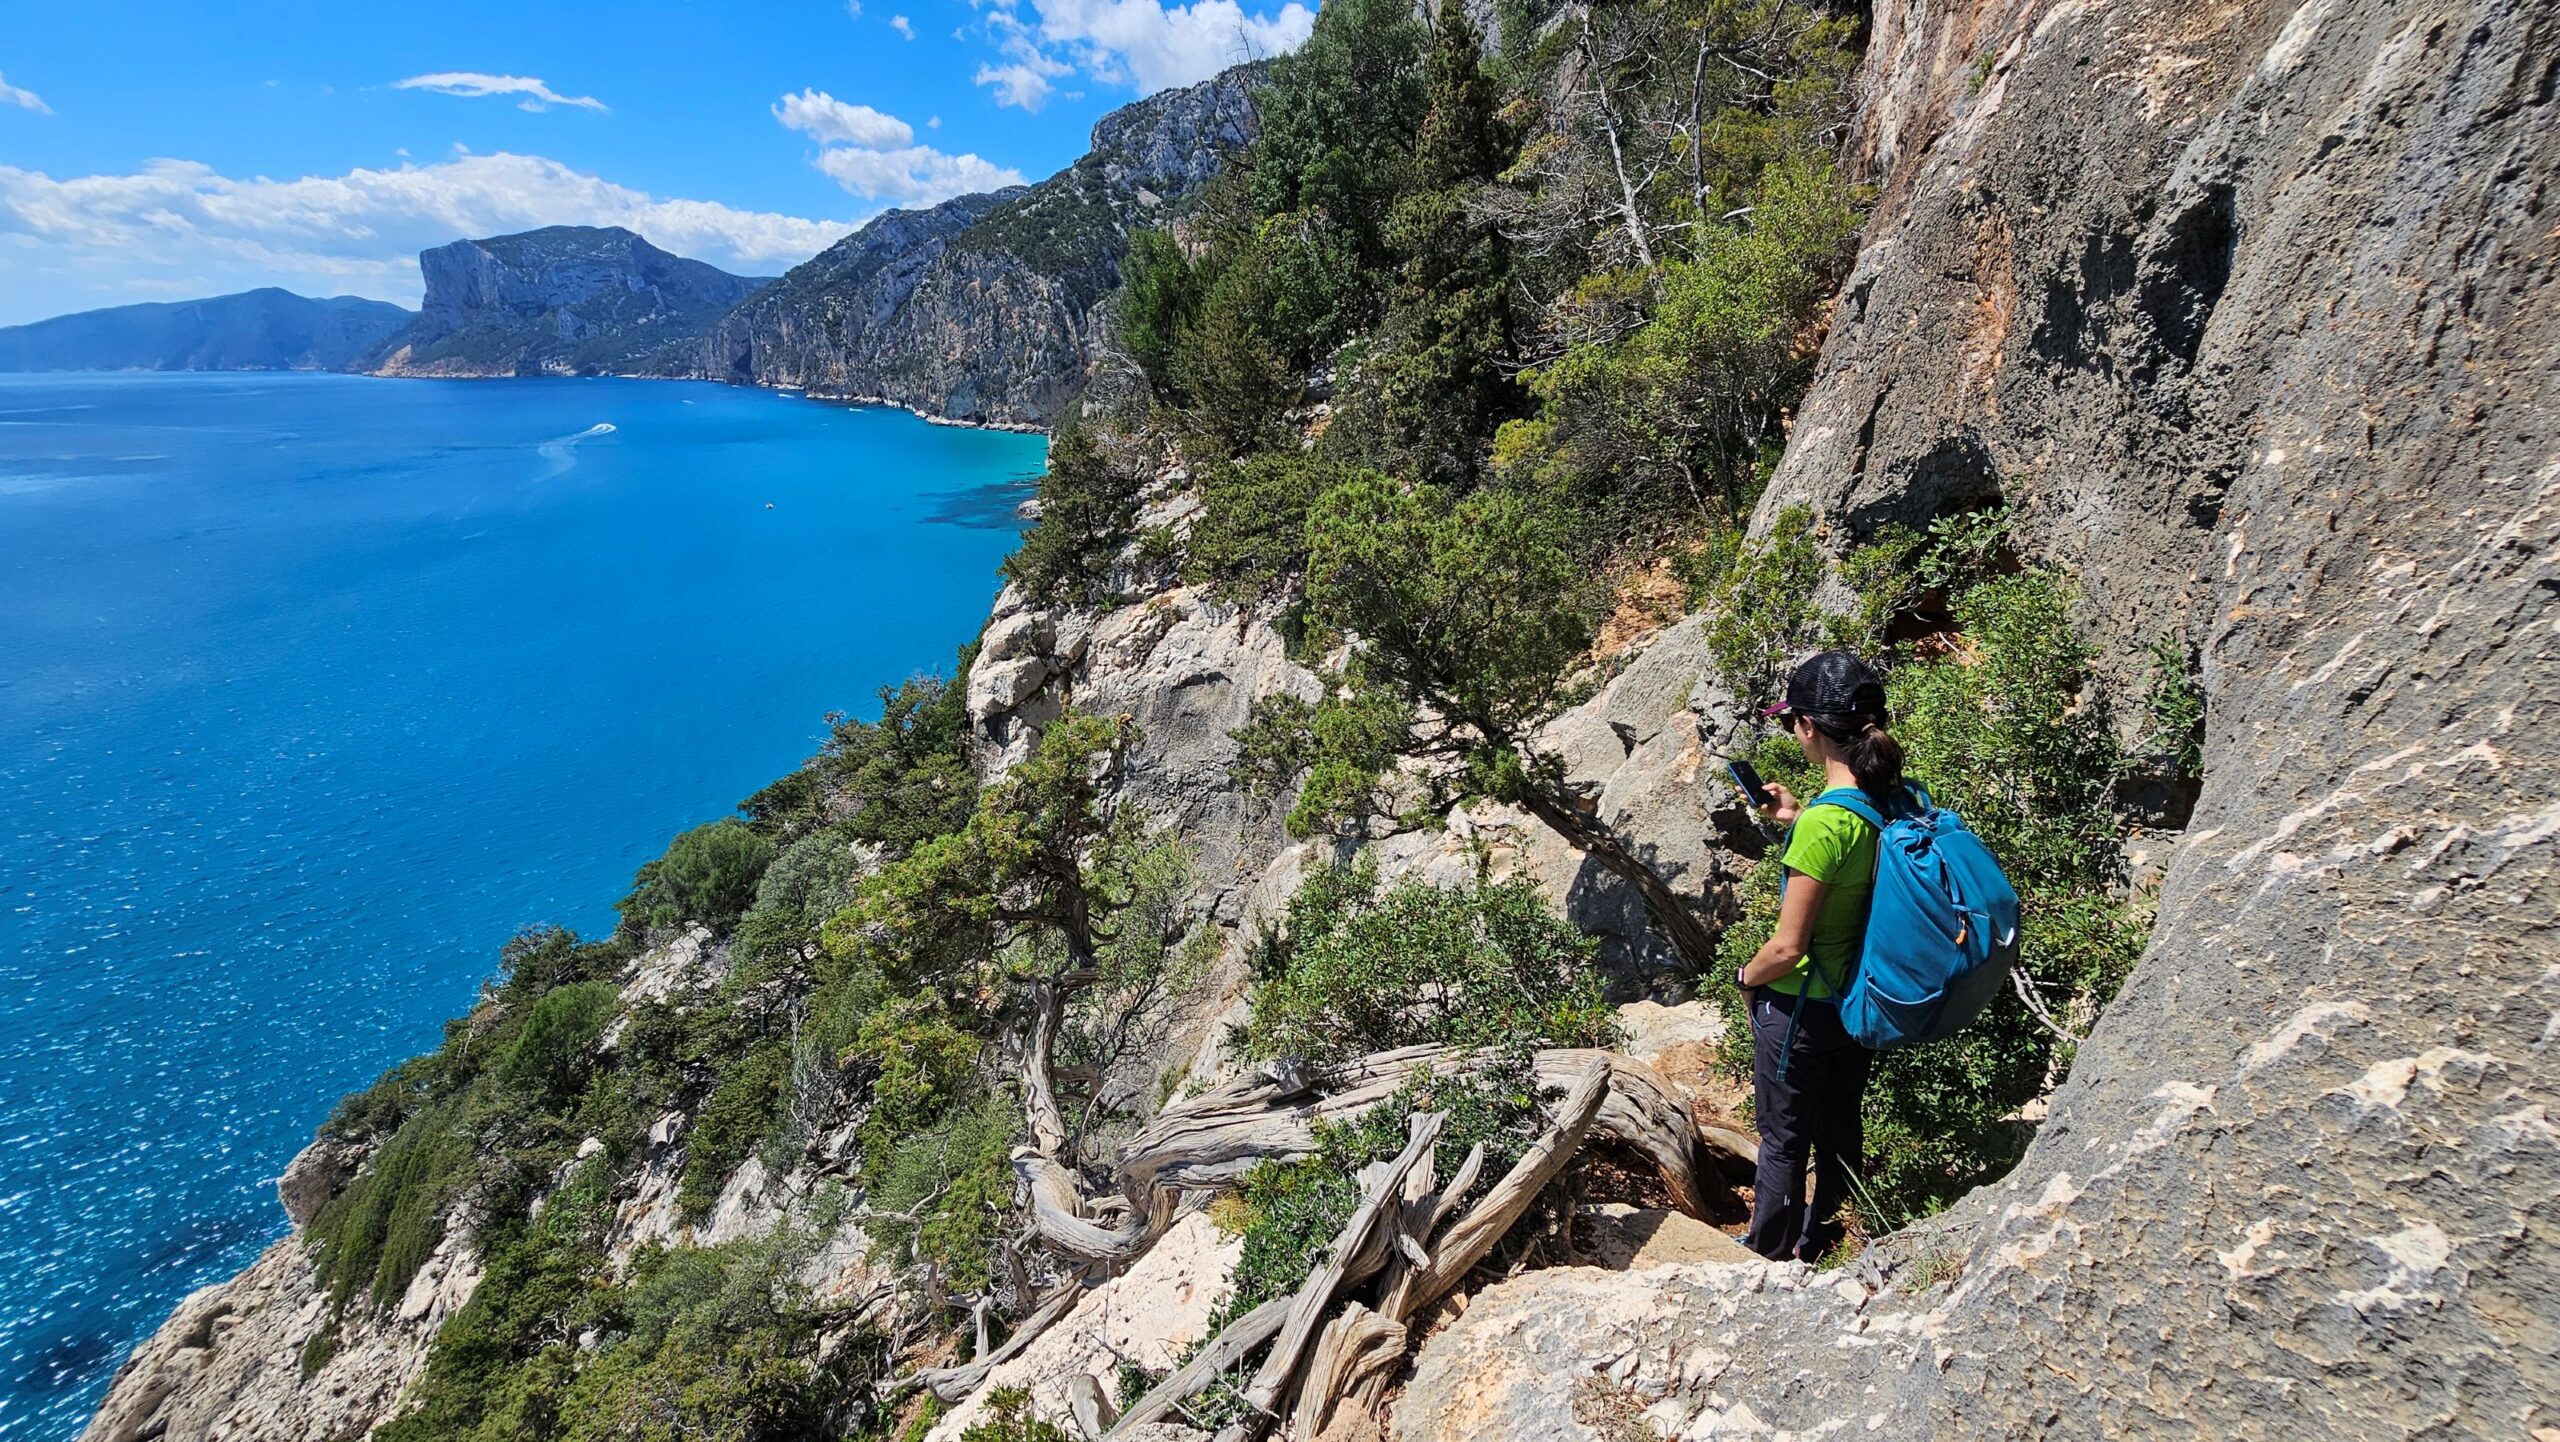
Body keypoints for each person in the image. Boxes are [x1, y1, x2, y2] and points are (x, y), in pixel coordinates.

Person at [1735, 650, 1909, 1262]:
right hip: (1859, 1002)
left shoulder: (1823, 828)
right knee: (1839, 1128)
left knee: (1783, 1140)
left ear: (1808, 726)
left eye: (1793, 722)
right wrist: (1796, 813)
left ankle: (1768, 1258)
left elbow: (1787, 947)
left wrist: (1745, 978)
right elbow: (1854, 852)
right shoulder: (1896, 799)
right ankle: (1824, 1240)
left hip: (1800, 1009)